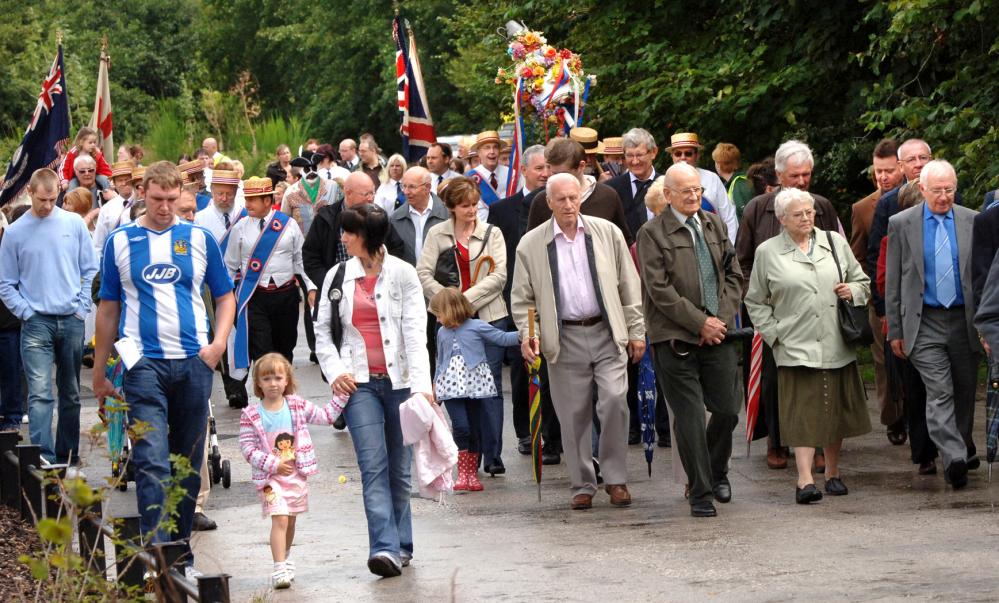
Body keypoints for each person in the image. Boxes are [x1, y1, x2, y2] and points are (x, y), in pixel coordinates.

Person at [92, 161, 235, 575]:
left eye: (173, 200)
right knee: (151, 458)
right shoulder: (120, 241)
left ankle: (178, 551)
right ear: (143, 194)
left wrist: (218, 345)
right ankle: (159, 554)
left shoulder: (199, 238)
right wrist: (101, 372)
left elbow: (224, 296)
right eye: (157, 199)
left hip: (193, 361)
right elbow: (108, 309)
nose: (165, 207)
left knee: (187, 464)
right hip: (143, 364)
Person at [511, 173, 645, 510]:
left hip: (606, 331)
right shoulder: (531, 244)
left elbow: (629, 285)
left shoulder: (607, 233)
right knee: (572, 415)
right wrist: (530, 335)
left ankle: (615, 479)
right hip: (563, 337)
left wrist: (636, 330)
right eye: (561, 200)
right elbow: (523, 299)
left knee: (615, 400)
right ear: (548, 203)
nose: (569, 205)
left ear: (581, 198)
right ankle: (583, 483)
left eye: (573, 198)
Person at [315, 203, 432, 577]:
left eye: (350, 231)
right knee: (372, 465)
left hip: (400, 383)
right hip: (359, 385)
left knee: (399, 468)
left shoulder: (403, 274)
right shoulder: (337, 276)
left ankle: (402, 544)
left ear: (369, 237)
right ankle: (383, 548)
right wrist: (335, 371)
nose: (343, 237)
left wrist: (422, 386)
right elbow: (322, 333)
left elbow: (416, 335)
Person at [745, 188, 872, 503]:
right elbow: (755, 301)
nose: (807, 218)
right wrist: (775, 335)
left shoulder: (834, 242)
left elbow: (863, 282)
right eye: (799, 214)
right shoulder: (768, 252)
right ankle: (805, 481)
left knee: (835, 410)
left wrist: (852, 291)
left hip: (835, 340)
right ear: (782, 219)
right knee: (802, 413)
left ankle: (832, 472)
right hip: (794, 342)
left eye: (810, 212)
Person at [637, 163, 744, 517]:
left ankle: (716, 471)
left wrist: (720, 320)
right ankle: (700, 492)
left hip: (719, 333)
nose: (694, 196)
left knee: (728, 410)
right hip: (675, 339)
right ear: (668, 195)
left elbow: (733, 273)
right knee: (690, 418)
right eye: (686, 191)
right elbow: (659, 291)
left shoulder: (713, 224)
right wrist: (699, 323)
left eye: (698, 189)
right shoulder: (652, 234)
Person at [736, 139, 843, 471]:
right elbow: (743, 259)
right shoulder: (757, 208)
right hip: (774, 312)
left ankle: (820, 441)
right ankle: (777, 440)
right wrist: (760, 298)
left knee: (821, 378)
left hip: (817, 310)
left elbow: (837, 257)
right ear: (779, 174)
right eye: (795, 175)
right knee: (775, 380)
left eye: (807, 174)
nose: (801, 181)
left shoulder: (822, 206)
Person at [886, 159, 980, 490]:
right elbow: (894, 279)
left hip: (963, 319)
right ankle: (954, 456)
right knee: (940, 390)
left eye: (949, 190)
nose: (943, 197)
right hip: (923, 320)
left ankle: (960, 445)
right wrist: (895, 330)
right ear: (921, 189)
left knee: (965, 392)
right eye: (937, 190)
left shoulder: (973, 221)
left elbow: (982, 278)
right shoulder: (902, 223)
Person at [0, 169, 97, 466]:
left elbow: (89, 268)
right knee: (40, 393)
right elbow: (6, 282)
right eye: (42, 200)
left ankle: (68, 454)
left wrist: (81, 307)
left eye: (53, 199)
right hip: (37, 321)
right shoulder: (15, 233)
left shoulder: (73, 224)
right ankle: (43, 457)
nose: (47, 205)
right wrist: (26, 312)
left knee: (70, 391)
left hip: (70, 317)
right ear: (30, 193)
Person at [417, 176, 510, 476]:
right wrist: (447, 303)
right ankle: (468, 451)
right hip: (449, 323)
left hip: (488, 317)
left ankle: (492, 454)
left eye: (475, 205)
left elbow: (499, 276)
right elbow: (423, 273)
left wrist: (463, 301)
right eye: (465, 206)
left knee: (489, 388)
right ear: (452, 207)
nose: (472, 211)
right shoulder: (437, 234)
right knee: (458, 388)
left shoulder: (491, 233)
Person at [238, 353, 346, 589]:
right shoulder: (251, 415)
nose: (273, 383)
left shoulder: (296, 405)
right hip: (269, 479)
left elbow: (326, 416)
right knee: (280, 518)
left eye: (278, 377)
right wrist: (272, 463)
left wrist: (343, 394)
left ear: (287, 380)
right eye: (266, 379)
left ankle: (285, 557)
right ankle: (278, 568)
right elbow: (247, 448)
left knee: (290, 521)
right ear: (258, 383)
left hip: (295, 476)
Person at [487, 144, 549, 454]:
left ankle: (553, 430)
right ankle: (526, 431)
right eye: (539, 168)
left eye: (548, 167)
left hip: (552, 296)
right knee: (524, 367)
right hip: (518, 296)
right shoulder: (501, 210)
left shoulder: (557, 202)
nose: (545, 173)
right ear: (523, 170)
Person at [429, 288, 519, 491]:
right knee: (461, 426)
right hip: (451, 387)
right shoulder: (442, 333)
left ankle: (471, 475)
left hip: (475, 384)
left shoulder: (477, 326)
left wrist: (528, 333)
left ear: (450, 310)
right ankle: (462, 473)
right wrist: (435, 385)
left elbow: (503, 338)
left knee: (475, 428)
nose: (437, 319)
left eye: (438, 314)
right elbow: (440, 360)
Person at [225, 177, 314, 373]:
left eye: (252, 200)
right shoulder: (239, 228)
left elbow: (300, 260)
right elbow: (230, 266)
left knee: (285, 348)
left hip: (286, 295)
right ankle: (267, 397)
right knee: (262, 350)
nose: (247, 204)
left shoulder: (288, 224)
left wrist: (311, 287)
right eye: (246, 199)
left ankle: (285, 395)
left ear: (267, 201)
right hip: (256, 297)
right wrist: (227, 297)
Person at [849, 139, 906, 444]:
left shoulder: (914, 198)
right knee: (883, 361)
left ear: (901, 167)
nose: (882, 177)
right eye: (877, 171)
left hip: (909, 293)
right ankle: (892, 417)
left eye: (888, 171)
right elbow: (857, 253)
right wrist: (871, 291)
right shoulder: (862, 208)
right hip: (878, 295)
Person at [527, 138, 633, 244]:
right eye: (554, 173)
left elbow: (623, 242)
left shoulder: (608, 196)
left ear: (581, 166)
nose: (558, 179)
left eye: (564, 173)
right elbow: (531, 246)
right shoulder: (541, 201)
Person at [665, 133, 739, 241]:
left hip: (713, 245)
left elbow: (729, 218)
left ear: (697, 155)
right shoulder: (664, 182)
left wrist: (729, 250)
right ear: (672, 156)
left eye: (688, 153)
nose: (683, 157)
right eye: (678, 153)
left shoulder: (712, 179)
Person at [386, 167, 449, 266]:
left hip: (439, 280)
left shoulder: (447, 215)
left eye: (412, 187)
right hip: (407, 280)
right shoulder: (395, 218)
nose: (406, 192)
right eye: (404, 186)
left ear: (427, 187)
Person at [605, 128, 659, 241]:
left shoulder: (666, 185)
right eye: (629, 155)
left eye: (639, 155)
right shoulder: (610, 188)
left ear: (653, 152)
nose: (635, 161)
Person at [466, 130, 511, 222]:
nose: (492, 151)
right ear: (478, 153)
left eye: (495, 147)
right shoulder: (469, 178)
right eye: (487, 148)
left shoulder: (512, 175)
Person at [712, 142, 754, 221]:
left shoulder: (739, 184)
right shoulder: (734, 183)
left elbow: (747, 215)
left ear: (719, 164)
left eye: (715, 161)